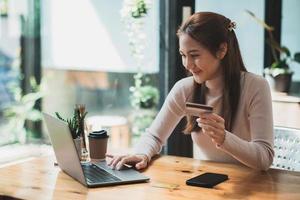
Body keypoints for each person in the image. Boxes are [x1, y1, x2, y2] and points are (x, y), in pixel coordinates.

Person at [106, 12, 274, 171]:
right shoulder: (184, 89)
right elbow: (154, 136)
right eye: (183, 55)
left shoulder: (255, 87)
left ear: (222, 50)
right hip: (207, 185)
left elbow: (265, 158)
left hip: (252, 187)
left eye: (194, 55)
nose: (187, 64)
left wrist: (225, 138)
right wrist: (141, 154)